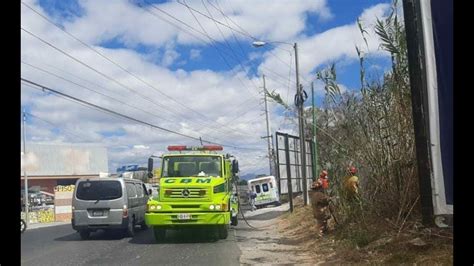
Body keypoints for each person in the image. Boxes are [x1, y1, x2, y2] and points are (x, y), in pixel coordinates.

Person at [310, 171, 332, 236]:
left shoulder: (314, 194)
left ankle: (324, 230)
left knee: (322, 220)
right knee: (321, 221)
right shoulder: (319, 194)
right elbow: (325, 200)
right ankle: (319, 233)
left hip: (317, 210)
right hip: (320, 211)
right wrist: (329, 198)